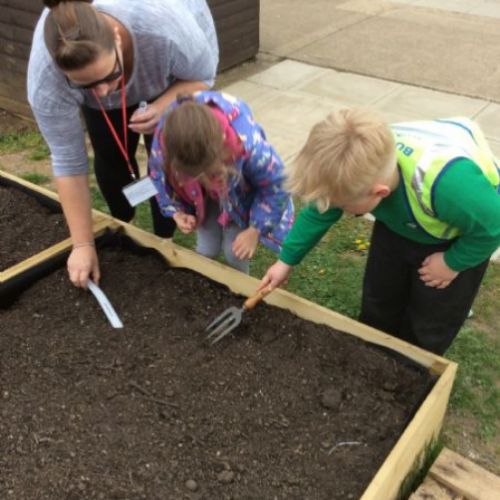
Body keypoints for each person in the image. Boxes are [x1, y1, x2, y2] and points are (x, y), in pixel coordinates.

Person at [259, 108, 500, 355]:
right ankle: (372, 353)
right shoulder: (362, 168)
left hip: (459, 237)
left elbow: (493, 228)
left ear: (379, 193)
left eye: (342, 205)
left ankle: (415, 363)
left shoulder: (451, 187)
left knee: (431, 318)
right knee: (380, 298)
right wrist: (285, 261)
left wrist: (452, 263)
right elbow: (320, 211)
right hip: (400, 224)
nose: (337, 208)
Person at [27, 0, 219, 288]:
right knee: (110, 155)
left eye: (109, 76)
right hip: (129, 63)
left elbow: (203, 77)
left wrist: (163, 105)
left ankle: (164, 237)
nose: (104, 93)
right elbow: (67, 160)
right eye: (85, 85)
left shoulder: (165, 29)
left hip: (171, 79)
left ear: (116, 38)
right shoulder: (46, 79)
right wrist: (82, 245)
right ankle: (123, 220)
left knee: (169, 161)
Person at [148, 91, 294, 272]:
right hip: (202, 196)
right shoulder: (166, 141)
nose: (206, 179)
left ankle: (241, 286)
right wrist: (177, 212)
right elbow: (158, 177)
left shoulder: (251, 149)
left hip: (242, 195)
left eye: (209, 173)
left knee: (234, 252)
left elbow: (277, 186)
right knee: (207, 248)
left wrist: (254, 231)